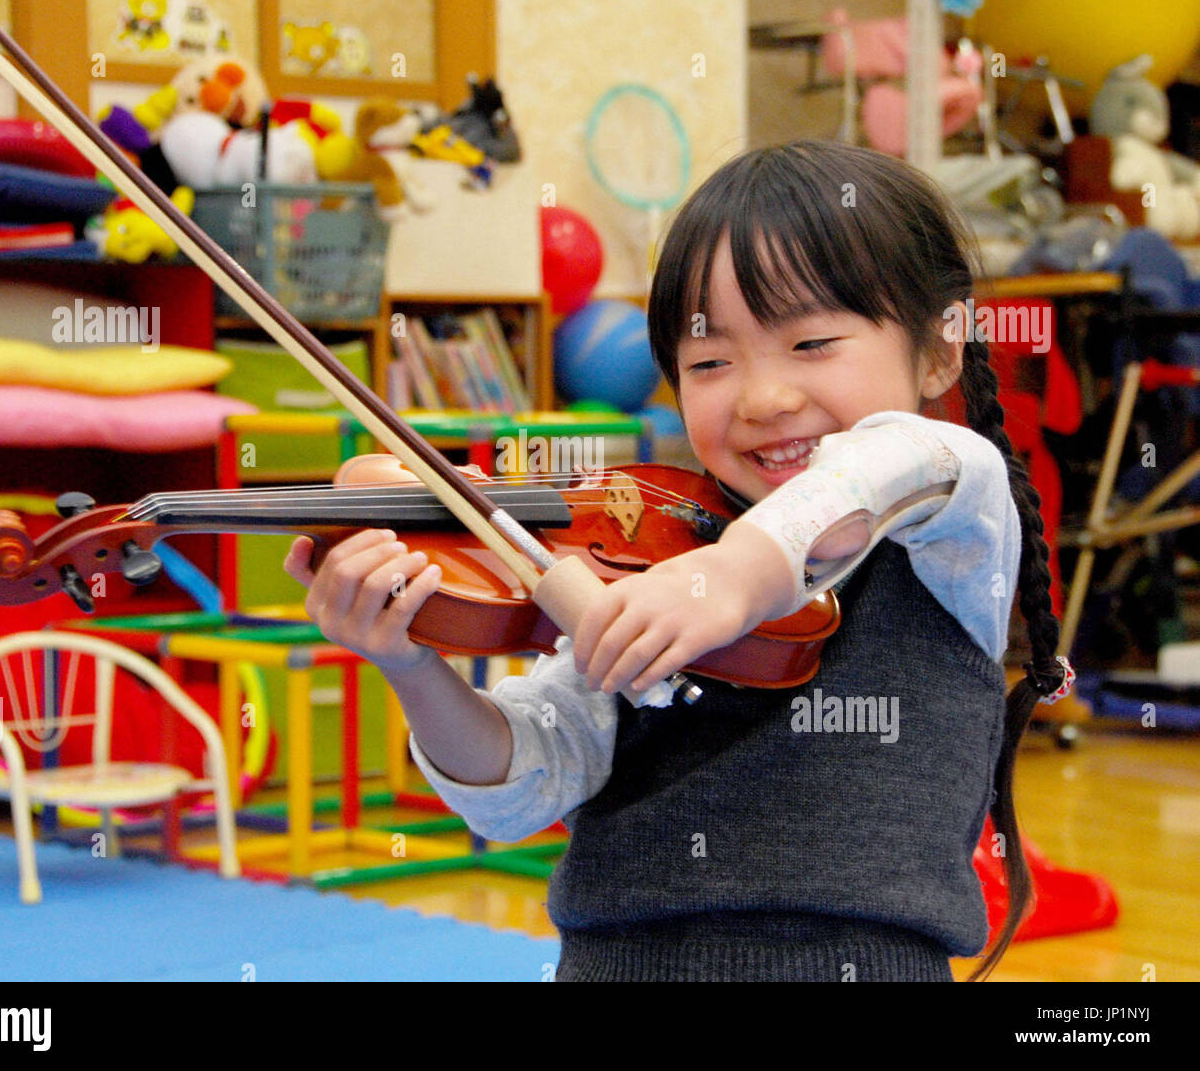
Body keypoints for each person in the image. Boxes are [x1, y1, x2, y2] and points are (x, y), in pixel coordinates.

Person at [285, 140, 1069, 982]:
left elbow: (895, 463)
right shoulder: (653, 558)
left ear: (941, 348)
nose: (764, 398)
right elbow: (521, 785)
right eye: (710, 362)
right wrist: (410, 664)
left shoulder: (956, 527)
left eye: (811, 344)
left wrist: (736, 576)